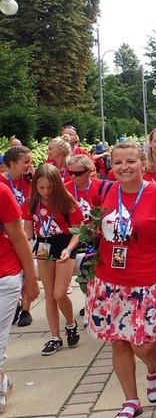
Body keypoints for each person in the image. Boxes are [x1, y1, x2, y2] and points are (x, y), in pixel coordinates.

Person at [83, 141, 156, 418]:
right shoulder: (107, 191)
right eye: (118, 163)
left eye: (130, 162)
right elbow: (94, 226)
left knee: (144, 344)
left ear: (142, 163)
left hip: (148, 280)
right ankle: (130, 401)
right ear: (111, 166)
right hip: (109, 280)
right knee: (119, 342)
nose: (124, 168)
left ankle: (153, 369)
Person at [22, 164, 84, 356]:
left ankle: (71, 324)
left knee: (59, 293)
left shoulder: (66, 201)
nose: (46, 192)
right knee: (49, 294)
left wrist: (68, 249)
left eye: (50, 187)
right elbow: (27, 230)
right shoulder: (32, 202)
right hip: (43, 246)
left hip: (65, 245)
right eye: (41, 188)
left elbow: (78, 230)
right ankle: (55, 337)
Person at [0, 184, 40, 414]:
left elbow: (18, 236)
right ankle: (2, 380)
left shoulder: (1, 192)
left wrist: (31, 278)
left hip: (4, 275)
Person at [1, 146, 35, 327]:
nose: (30, 165)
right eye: (26, 162)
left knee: (25, 267)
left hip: (27, 229)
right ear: (12, 164)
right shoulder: (2, 184)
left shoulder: (30, 180)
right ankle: (16, 304)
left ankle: (26, 309)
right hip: (9, 232)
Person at [64, 155, 105, 222]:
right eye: (70, 173)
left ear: (89, 172)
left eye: (78, 173)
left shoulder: (103, 187)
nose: (73, 176)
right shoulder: (65, 188)